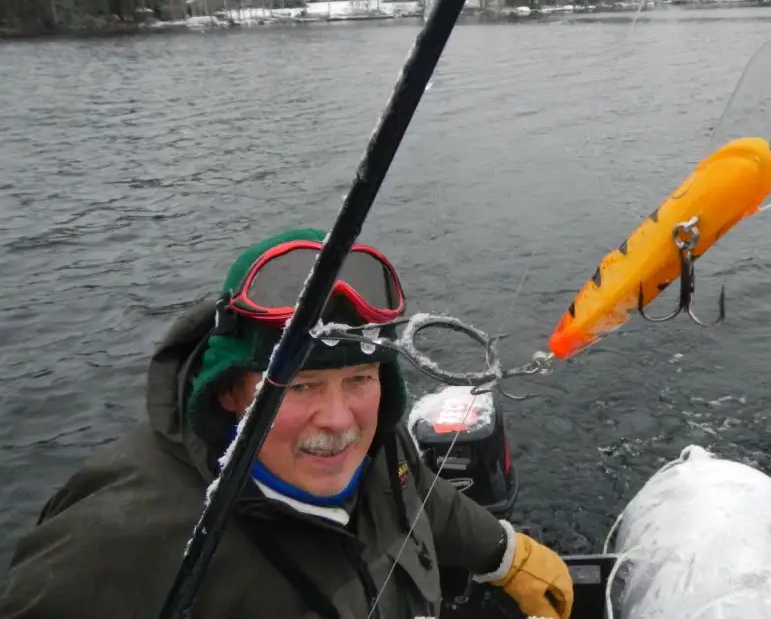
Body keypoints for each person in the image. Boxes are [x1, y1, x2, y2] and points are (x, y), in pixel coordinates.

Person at [0, 228, 573, 619]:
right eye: (299, 387)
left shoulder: (375, 443)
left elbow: (410, 490)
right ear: (230, 393)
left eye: (359, 379)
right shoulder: (112, 542)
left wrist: (503, 552)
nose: (339, 419)